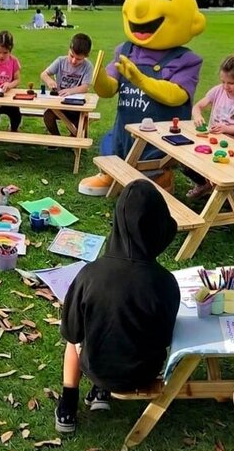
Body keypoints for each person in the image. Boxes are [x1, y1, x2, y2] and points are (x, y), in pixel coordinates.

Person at [55, 180, 179, 431]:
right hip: (145, 371)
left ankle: (68, 404)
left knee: (72, 341)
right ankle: (101, 392)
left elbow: (72, 332)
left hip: (96, 366)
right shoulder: (165, 282)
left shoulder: (90, 275)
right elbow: (165, 338)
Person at [78, 0, 205, 196]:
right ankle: (112, 171)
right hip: (126, 128)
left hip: (161, 136)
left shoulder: (186, 59)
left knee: (153, 163)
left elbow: (177, 96)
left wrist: (141, 80)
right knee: (116, 144)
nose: (138, 7)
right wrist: (97, 75)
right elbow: (109, 89)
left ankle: (159, 176)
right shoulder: (126, 50)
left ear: (195, 22)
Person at [185, 54, 234, 199]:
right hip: (212, 141)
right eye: (223, 81)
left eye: (231, 83)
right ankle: (204, 184)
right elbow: (198, 106)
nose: (225, 87)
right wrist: (198, 115)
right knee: (186, 161)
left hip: (233, 148)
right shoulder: (218, 90)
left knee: (223, 172)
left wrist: (226, 129)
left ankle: (229, 195)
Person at [40, 33, 95, 136]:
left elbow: (85, 87)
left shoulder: (88, 66)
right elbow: (44, 74)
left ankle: (74, 139)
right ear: (69, 49)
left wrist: (70, 91)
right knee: (48, 116)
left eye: (78, 59)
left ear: (86, 56)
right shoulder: (61, 61)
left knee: (81, 127)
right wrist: (49, 81)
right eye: (71, 56)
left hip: (76, 106)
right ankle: (56, 139)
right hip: (59, 103)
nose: (74, 61)